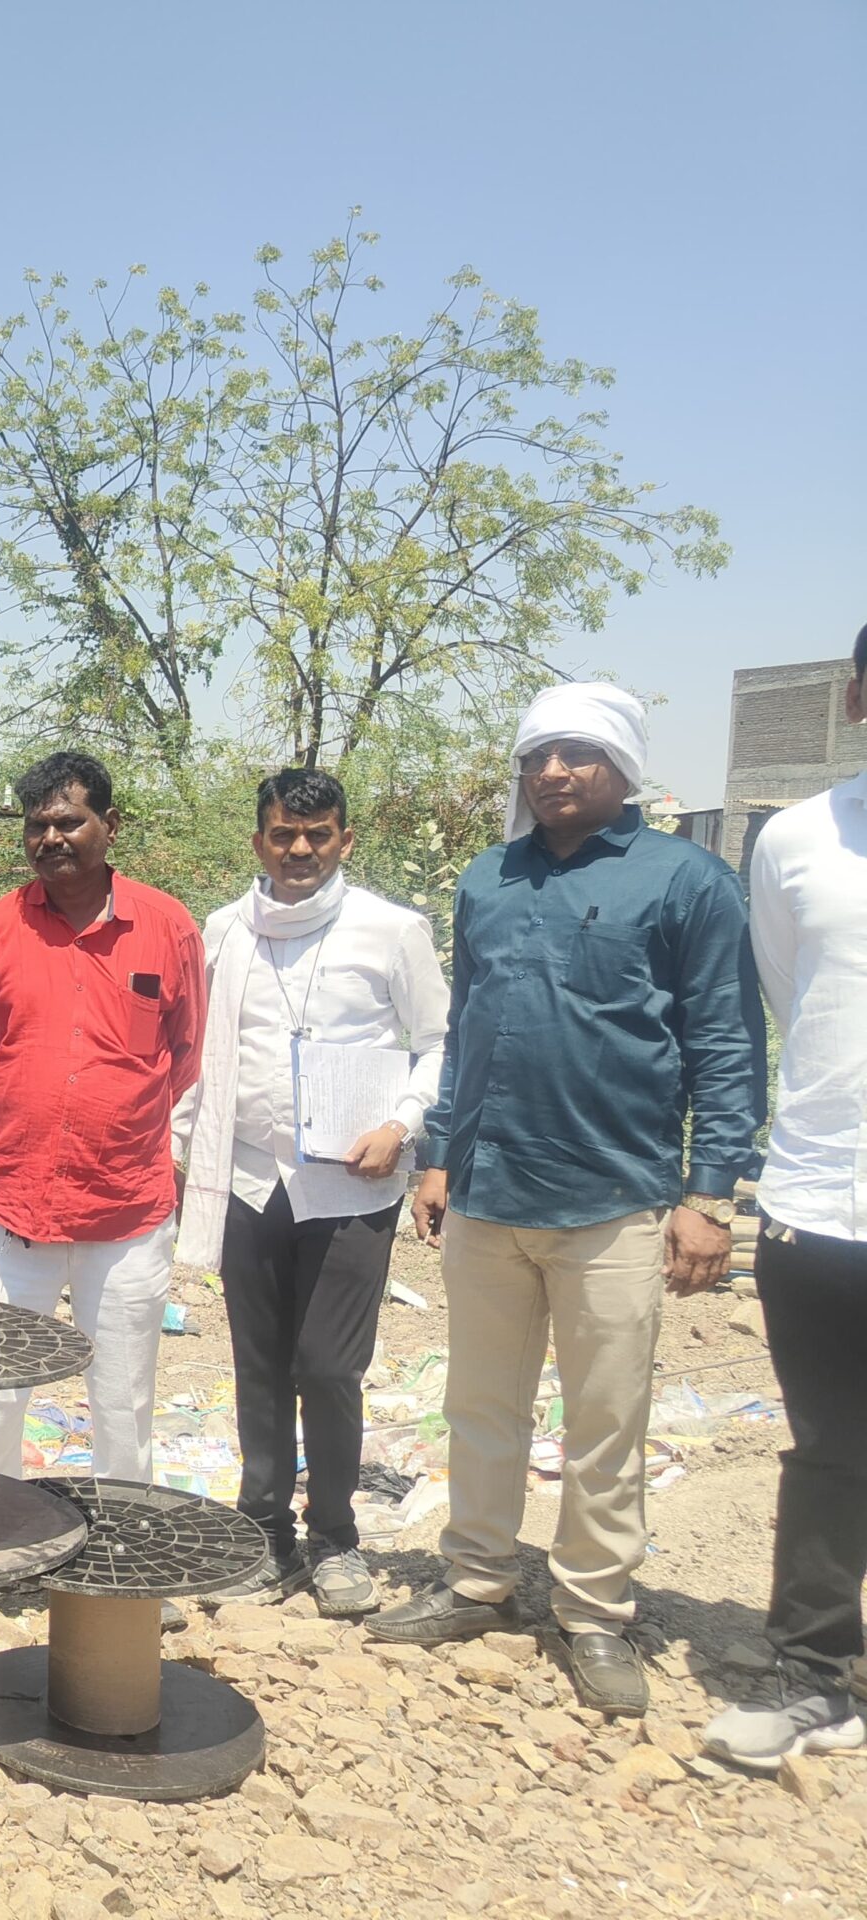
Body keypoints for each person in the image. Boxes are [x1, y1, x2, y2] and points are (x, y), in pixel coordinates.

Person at [368, 684, 767, 1719]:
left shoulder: (686, 880)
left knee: (604, 1420)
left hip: (616, 1198)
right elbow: (466, 1027)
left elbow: (726, 1041)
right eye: (537, 754)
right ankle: (477, 1580)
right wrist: (438, 1154)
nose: (552, 772)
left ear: (623, 766)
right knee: (480, 1406)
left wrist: (710, 1193)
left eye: (578, 753)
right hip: (490, 1191)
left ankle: (593, 1611)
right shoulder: (488, 878)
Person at [0, 751, 207, 1623]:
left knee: (122, 1398)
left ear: (110, 827)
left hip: (126, 1211)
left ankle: (129, 1559)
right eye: (37, 825)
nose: (51, 838)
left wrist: (114, 1124)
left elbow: (184, 1056)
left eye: (69, 821)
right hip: (14, 1207)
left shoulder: (167, 928)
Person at [172, 768, 447, 1617]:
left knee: (327, 1368)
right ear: (258, 842)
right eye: (284, 835)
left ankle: (334, 1538)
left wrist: (402, 1124)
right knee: (258, 1367)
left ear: (344, 840)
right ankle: (264, 1534)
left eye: (317, 835)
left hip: (351, 1187)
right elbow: (195, 1050)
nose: (300, 850)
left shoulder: (392, 930)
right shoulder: (225, 931)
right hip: (249, 1178)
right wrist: (179, 1153)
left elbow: (442, 1040)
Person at [702, 629, 867, 1767]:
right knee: (830, 1447)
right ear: (856, 697)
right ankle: (817, 1675)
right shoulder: (798, 838)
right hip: (821, 1199)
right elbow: (782, 989)